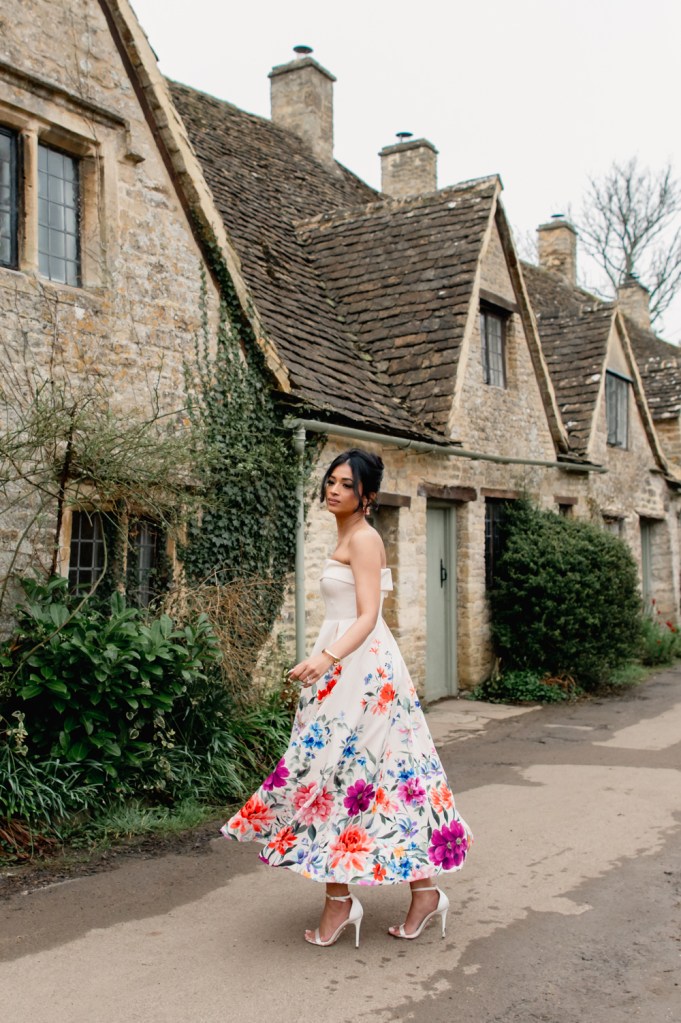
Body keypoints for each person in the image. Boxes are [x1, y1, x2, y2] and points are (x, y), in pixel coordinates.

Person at [222, 449, 471, 946]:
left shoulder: (366, 538)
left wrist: (325, 658)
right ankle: (396, 894)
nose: (333, 490)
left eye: (345, 485)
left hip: (364, 673)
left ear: (368, 496)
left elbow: (367, 615)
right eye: (330, 481)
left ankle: (364, 899)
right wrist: (326, 660)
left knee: (360, 776)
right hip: (341, 667)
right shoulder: (346, 535)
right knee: (343, 776)